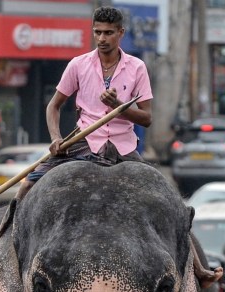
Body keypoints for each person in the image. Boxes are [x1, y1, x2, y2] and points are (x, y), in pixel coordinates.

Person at [14, 5, 153, 200]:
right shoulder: (78, 65)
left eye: (108, 33)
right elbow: (53, 106)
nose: (102, 39)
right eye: (98, 32)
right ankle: (8, 230)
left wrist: (117, 105)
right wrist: (56, 138)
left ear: (120, 33)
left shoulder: (137, 67)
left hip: (123, 147)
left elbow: (147, 118)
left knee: (158, 194)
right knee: (27, 186)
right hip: (84, 140)